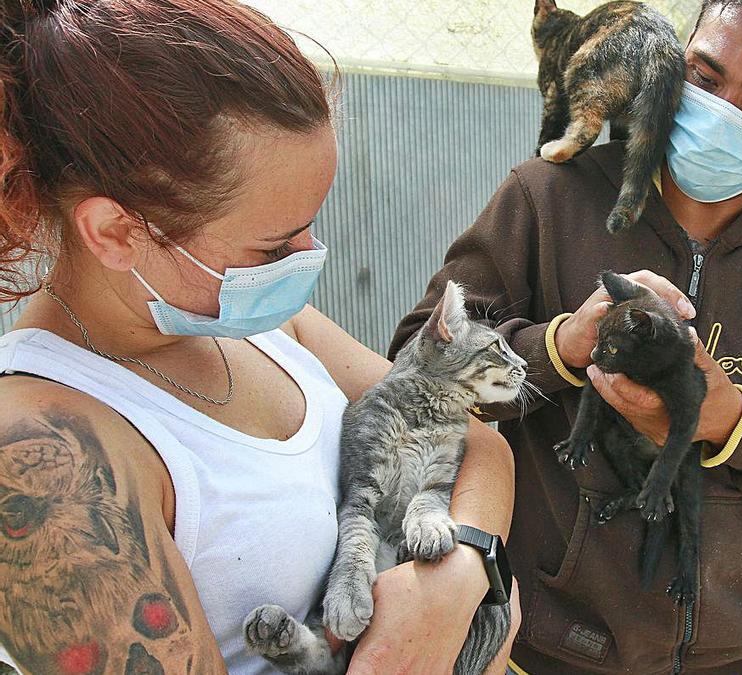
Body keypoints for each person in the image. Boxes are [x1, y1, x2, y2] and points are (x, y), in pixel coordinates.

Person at [0, 1, 518, 673]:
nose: (309, 257)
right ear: (115, 232)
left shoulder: (262, 325)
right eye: (275, 245)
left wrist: (459, 573)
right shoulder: (45, 451)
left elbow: (477, 443)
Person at [390, 0, 742, 672]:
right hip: (550, 650)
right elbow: (413, 371)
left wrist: (730, 419)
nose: (717, 111)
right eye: (704, 79)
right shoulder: (546, 197)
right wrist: (560, 347)